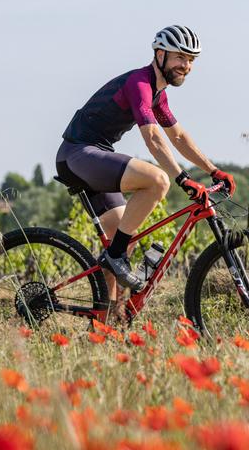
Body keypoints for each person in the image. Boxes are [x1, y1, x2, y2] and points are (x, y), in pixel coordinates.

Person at [55, 25, 236, 312]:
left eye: (191, 60)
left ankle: (105, 323)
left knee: (120, 240)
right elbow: (152, 137)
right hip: (78, 153)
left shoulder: (158, 94)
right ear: (160, 54)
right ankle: (115, 258)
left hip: (93, 156)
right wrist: (183, 178)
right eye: (180, 57)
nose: (186, 66)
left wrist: (213, 170)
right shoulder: (139, 84)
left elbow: (177, 137)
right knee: (157, 181)